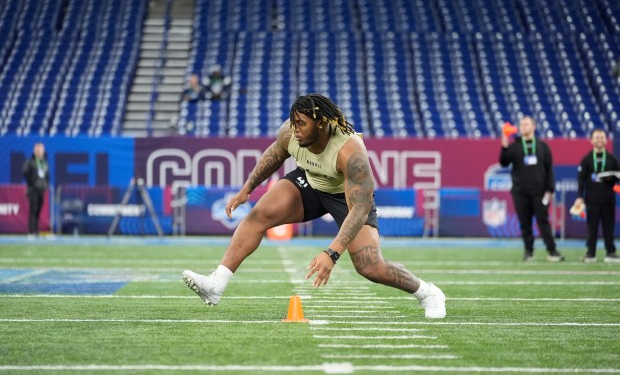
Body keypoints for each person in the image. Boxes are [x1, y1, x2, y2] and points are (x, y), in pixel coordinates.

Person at [182, 93, 446, 319]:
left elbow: (359, 209)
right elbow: (274, 155)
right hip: (310, 181)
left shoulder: (350, 152)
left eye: (301, 124)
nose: (295, 129)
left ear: (320, 124)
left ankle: (427, 292)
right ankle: (217, 283)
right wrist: (247, 189)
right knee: (259, 214)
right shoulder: (291, 132)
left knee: (370, 266)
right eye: (294, 123)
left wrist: (331, 254)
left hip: (346, 198)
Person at [499, 116, 564, 262]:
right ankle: (529, 251)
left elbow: (549, 170)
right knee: (525, 223)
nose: (523, 127)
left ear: (533, 127)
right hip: (520, 192)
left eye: (526, 124)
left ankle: (552, 250)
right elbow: (503, 162)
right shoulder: (514, 145)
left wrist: (550, 190)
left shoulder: (542, 146)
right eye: (521, 124)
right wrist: (504, 143)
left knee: (543, 221)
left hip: (540, 192)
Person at [573, 129, 620, 263]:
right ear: (591, 140)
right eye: (596, 137)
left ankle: (610, 252)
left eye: (602, 137)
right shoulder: (586, 159)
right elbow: (581, 180)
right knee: (592, 227)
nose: (599, 140)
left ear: (606, 140)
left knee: (609, 226)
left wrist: (611, 179)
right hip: (592, 199)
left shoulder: (612, 159)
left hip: (608, 199)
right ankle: (591, 253)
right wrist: (579, 197)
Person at [22, 142, 49, 236]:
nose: (39, 151)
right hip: (33, 189)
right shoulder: (30, 161)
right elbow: (25, 172)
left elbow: (47, 175)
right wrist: (32, 182)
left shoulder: (44, 162)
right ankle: (31, 230)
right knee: (33, 209)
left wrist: (46, 185)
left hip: (41, 189)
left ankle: (36, 229)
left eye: (41, 150)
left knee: (38, 210)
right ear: (34, 151)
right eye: (37, 150)